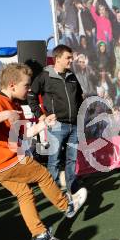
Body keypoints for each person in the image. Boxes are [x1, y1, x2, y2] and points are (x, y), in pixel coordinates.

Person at [0, 63, 87, 240]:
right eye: (26, 85)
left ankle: (40, 236)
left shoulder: (13, 104)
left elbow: (21, 135)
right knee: (42, 174)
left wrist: (43, 125)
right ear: (12, 86)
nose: (30, 89)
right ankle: (67, 206)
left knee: (24, 194)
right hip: (2, 161)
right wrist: (5, 114)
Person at [27, 44, 84, 194]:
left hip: (74, 126)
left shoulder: (72, 76)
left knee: (72, 159)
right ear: (57, 59)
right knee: (55, 160)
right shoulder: (45, 75)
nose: (71, 60)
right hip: (57, 125)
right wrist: (41, 116)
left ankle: (72, 187)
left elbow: (79, 97)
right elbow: (31, 96)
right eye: (68, 58)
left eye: (71, 57)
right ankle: (52, 191)